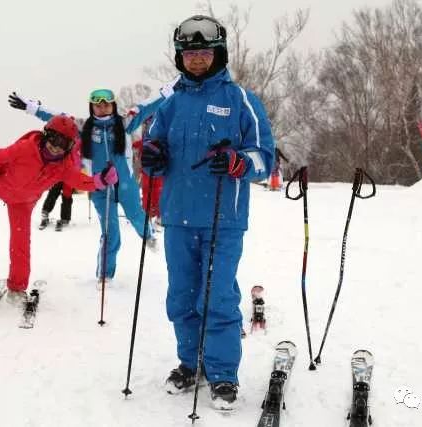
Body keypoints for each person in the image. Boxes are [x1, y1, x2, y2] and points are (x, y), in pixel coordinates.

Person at [141, 15, 274, 410]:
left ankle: (222, 374)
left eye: (204, 53)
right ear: (181, 58)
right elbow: (152, 154)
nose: (197, 60)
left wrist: (239, 162)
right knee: (181, 297)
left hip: (223, 219)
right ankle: (190, 363)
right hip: (178, 216)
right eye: (189, 54)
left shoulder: (241, 100)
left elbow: (265, 159)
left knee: (216, 297)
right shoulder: (170, 103)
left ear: (219, 54)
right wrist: (152, 156)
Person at [0, 115, 119, 299]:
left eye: (63, 143)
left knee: (21, 243)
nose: (56, 146)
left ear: (69, 147)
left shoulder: (63, 166)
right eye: (53, 139)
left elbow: (79, 180)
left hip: (23, 203)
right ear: (45, 135)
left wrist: (100, 180)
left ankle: (17, 287)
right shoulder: (25, 149)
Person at [8, 89, 157, 283]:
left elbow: (149, 105)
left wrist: (177, 86)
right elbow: (56, 117)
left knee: (137, 216)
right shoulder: (83, 126)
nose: (102, 108)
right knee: (110, 233)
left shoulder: (125, 122)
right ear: (92, 106)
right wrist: (30, 107)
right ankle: (105, 276)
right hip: (100, 187)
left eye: (106, 104)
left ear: (112, 105)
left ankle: (149, 236)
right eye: (98, 105)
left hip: (125, 185)